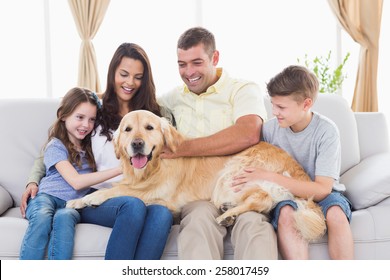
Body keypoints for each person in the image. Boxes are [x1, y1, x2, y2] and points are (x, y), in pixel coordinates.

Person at [20, 43, 173, 260]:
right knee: (132, 206)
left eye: (138, 77)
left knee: (162, 214)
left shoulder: (155, 114)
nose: (130, 82)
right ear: (112, 74)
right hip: (98, 194)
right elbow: (54, 145)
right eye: (124, 74)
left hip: (143, 189)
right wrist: (33, 181)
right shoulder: (94, 109)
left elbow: (172, 153)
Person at [158, 27, 278, 260]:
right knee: (196, 223)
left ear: (215, 58)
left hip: (242, 185)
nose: (189, 72)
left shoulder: (241, 89)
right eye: (182, 64)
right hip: (200, 193)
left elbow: (249, 133)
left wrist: (182, 149)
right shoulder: (173, 98)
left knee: (254, 226)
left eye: (197, 62)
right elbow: (136, 103)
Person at [233, 65, 354, 259]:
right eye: (272, 105)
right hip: (285, 196)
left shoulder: (326, 131)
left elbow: (322, 189)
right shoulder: (269, 130)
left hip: (323, 195)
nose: (274, 112)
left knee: (336, 214)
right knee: (286, 213)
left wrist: (269, 176)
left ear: (306, 104)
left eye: (281, 107)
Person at [20, 87, 122, 259]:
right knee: (43, 218)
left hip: (72, 204)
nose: (86, 125)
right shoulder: (56, 145)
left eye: (91, 120)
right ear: (63, 115)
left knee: (66, 218)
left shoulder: (92, 146)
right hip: (47, 197)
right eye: (80, 117)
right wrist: (121, 170)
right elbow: (76, 181)